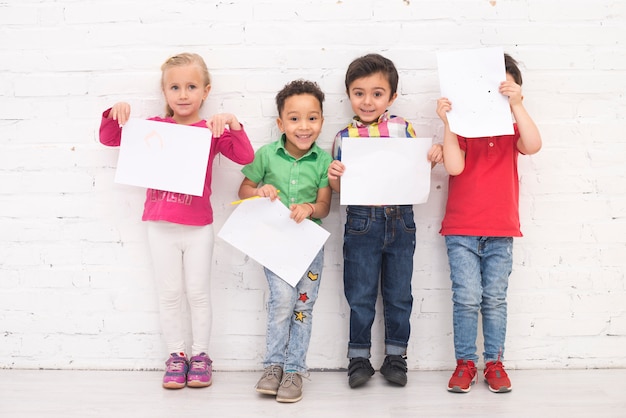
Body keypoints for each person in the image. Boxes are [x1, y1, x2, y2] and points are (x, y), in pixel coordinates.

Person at [99, 52, 254, 389]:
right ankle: (176, 356)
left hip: (198, 226)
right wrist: (116, 113)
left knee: (198, 293)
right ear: (165, 92)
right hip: (160, 225)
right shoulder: (154, 128)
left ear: (206, 91)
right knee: (169, 293)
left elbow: (245, 157)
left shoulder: (209, 129)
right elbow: (110, 139)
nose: (183, 94)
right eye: (175, 87)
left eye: (191, 86)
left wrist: (232, 123)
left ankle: (201, 356)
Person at [327, 53, 443, 388]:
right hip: (361, 221)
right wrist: (335, 176)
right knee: (360, 293)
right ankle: (358, 357)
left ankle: (396, 356)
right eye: (359, 92)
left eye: (377, 93)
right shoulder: (343, 137)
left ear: (391, 97)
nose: (367, 101)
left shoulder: (402, 128)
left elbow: (415, 173)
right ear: (349, 95)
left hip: (401, 219)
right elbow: (338, 189)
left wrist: (431, 158)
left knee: (398, 293)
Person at [436, 53, 542, 393]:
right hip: (462, 229)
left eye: (505, 90)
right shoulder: (466, 129)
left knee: (494, 299)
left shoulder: (512, 129)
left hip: (501, 229)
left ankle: (494, 362)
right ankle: (466, 363)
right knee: (466, 298)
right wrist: (448, 123)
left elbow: (534, 144)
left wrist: (517, 105)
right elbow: (453, 167)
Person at [238, 79, 332, 403]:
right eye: (294, 118)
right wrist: (259, 190)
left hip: (310, 247)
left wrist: (310, 208)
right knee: (281, 303)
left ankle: (295, 370)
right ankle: (273, 366)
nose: (303, 126)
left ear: (321, 120)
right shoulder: (266, 155)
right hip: (275, 245)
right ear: (280, 123)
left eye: (312, 118)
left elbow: (325, 207)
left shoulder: (323, 160)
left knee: (303, 307)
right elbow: (243, 191)